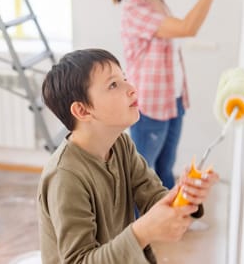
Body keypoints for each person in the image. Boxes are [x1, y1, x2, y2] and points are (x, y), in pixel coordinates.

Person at [37, 48, 219, 263]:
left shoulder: (121, 145)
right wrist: (141, 232)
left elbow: (153, 198)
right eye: (113, 84)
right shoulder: (65, 177)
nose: (132, 88)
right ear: (83, 111)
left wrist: (186, 194)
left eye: (124, 79)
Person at [110, 0, 227, 190]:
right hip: (150, 106)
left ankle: (167, 225)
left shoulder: (156, 0)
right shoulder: (135, 9)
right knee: (143, 178)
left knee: (165, 169)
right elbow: (187, 28)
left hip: (172, 100)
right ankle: (140, 227)